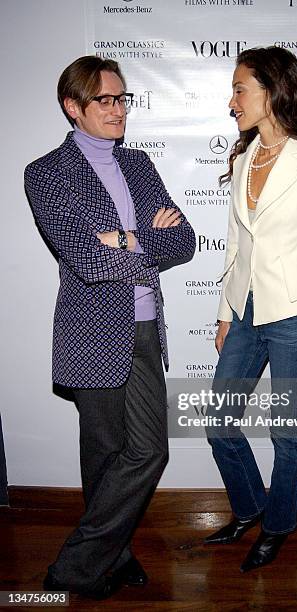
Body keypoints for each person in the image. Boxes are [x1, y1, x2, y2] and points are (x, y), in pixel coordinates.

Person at [24, 56, 195, 599]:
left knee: (149, 451)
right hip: (90, 330)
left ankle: (71, 569)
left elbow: (183, 241)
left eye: (123, 99)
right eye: (106, 100)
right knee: (103, 454)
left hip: (146, 328)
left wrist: (121, 237)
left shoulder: (140, 164)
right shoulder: (46, 172)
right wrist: (143, 235)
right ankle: (112, 557)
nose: (119, 109)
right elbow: (82, 258)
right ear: (74, 108)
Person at [205, 46, 297, 572]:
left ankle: (279, 525)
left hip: (293, 314)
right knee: (219, 420)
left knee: (284, 430)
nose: (232, 100)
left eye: (240, 88)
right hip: (244, 311)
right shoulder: (242, 158)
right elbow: (235, 245)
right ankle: (250, 508)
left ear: (271, 90)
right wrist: (225, 310)